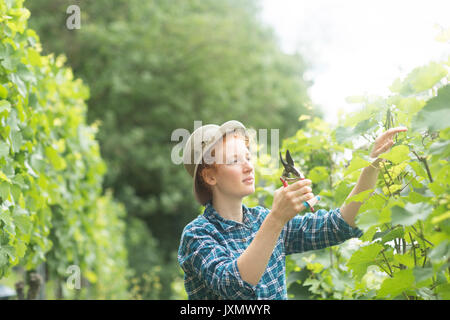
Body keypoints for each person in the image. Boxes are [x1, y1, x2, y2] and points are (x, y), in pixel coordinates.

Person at [178, 120, 407, 299]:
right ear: (209, 176)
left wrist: (371, 166)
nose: (249, 166)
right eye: (235, 160)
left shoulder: (261, 219)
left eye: (248, 157)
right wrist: (277, 218)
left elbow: (341, 225)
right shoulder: (197, 235)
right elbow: (237, 286)